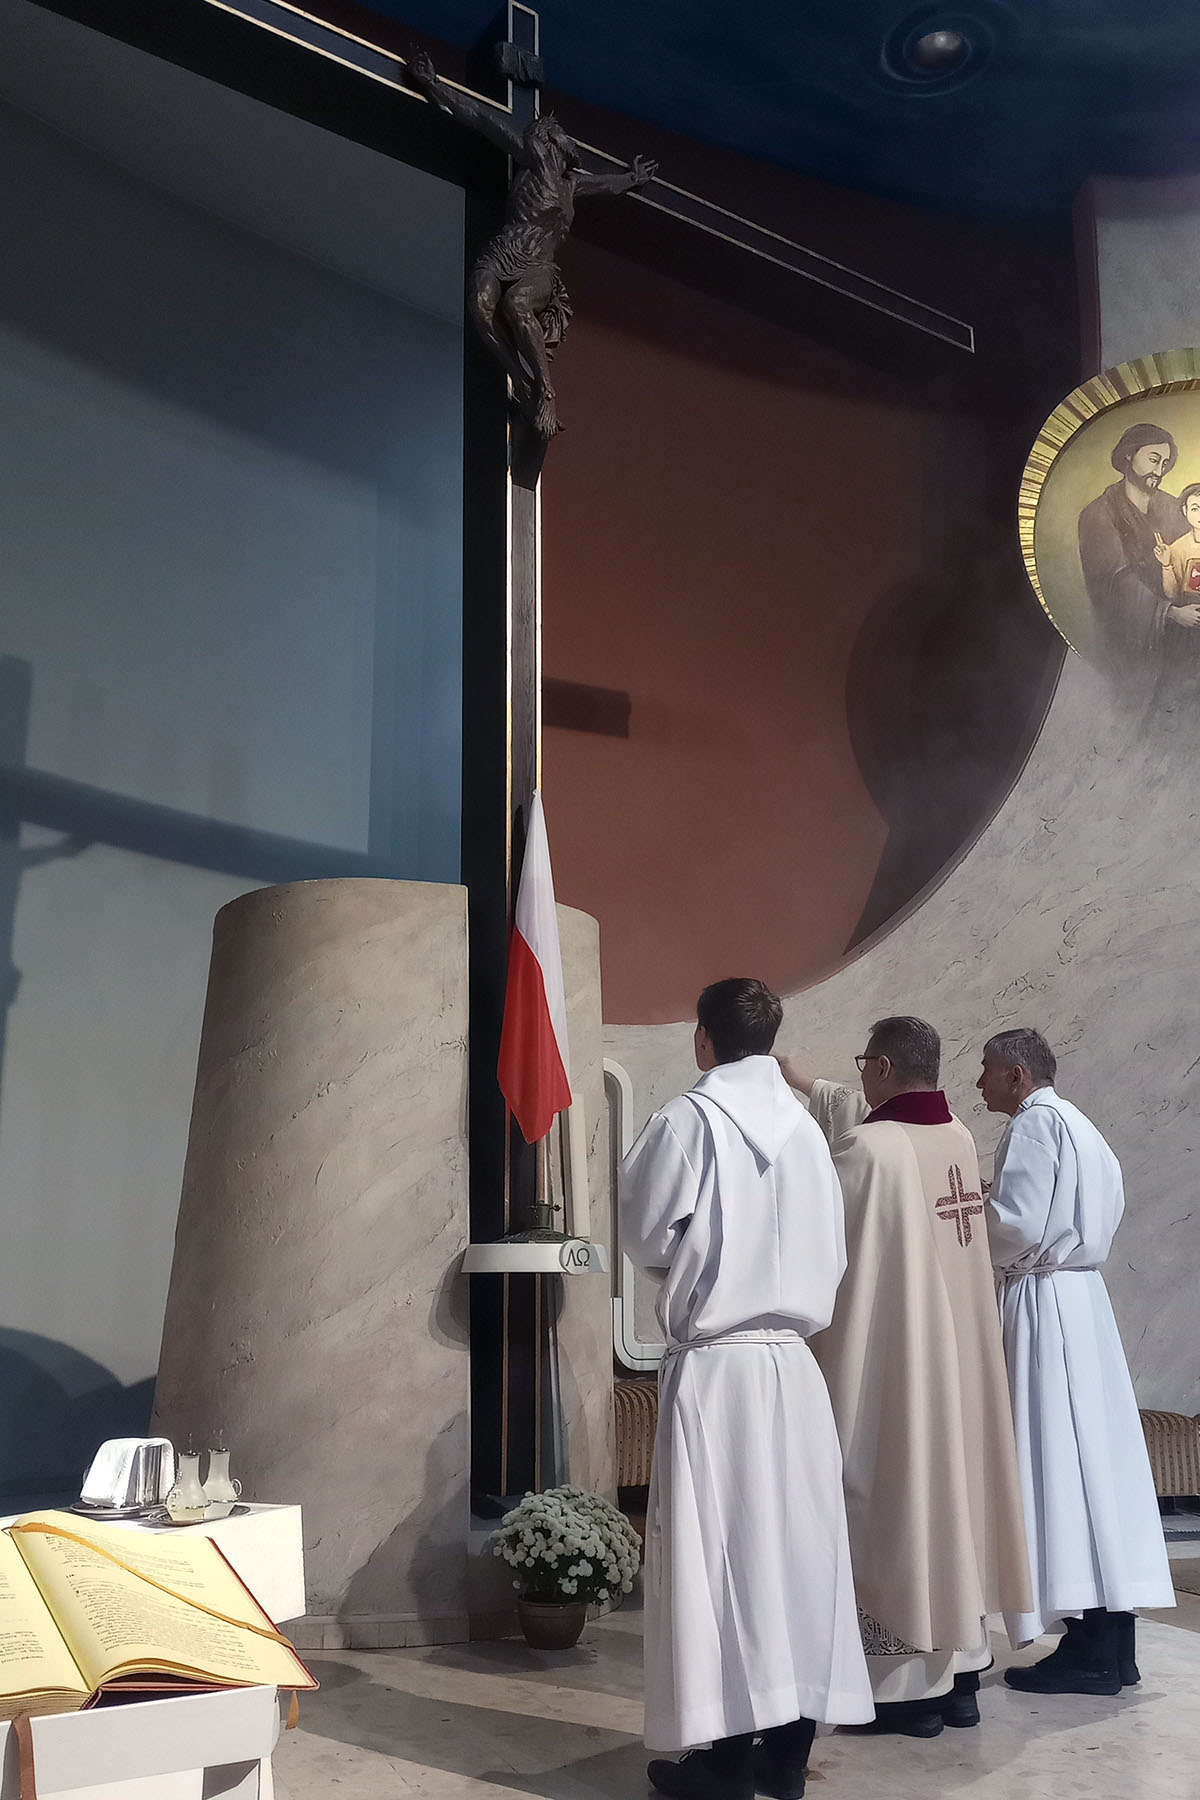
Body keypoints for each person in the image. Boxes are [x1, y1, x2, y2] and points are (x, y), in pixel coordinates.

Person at [621, 979, 872, 1800]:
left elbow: (645, 1233)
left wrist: (704, 1263)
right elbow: (833, 1253)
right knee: (796, 1555)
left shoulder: (687, 1121)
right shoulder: (809, 1133)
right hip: (794, 1367)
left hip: (719, 1366)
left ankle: (724, 1764)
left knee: (720, 1557)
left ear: (704, 1038)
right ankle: (787, 1758)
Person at [779, 1018, 1031, 1737]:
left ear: (884, 1068)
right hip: (959, 1359)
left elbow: (823, 1252)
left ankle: (904, 1694)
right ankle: (961, 1677)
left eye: (865, 1063)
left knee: (892, 1500)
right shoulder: (955, 1136)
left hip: (895, 1358)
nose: (861, 1076)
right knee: (955, 1503)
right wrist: (804, 1082)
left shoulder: (868, 1150)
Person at [978, 1028, 1175, 1694]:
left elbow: (1019, 1225)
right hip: (1083, 1299)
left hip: (1044, 1303)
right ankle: (1113, 1647)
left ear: (1016, 1074)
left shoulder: (1033, 1125)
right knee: (1095, 1470)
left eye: (986, 1069)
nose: (978, 1082)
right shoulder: (1082, 1126)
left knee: (1058, 1462)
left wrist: (970, 1216)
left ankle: (1089, 1650)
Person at [1077, 421, 1188, 665]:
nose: (1159, 471)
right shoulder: (1099, 514)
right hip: (1131, 642)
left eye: (1164, 463)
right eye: (1153, 460)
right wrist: (1169, 612)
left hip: (1184, 629)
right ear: (1129, 454)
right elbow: (1116, 580)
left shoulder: (1172, 507)